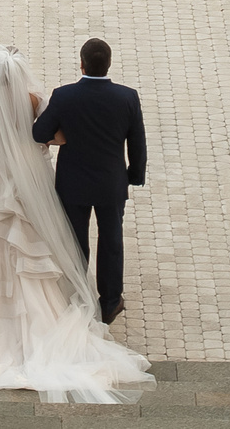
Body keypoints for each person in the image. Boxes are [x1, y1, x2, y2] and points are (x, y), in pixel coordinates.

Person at [0, 46, 153, 402]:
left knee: (12, 238)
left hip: (4, 183)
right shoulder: (38, 99)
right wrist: (129, 173)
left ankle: (33, 295)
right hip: (48, 182)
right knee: (79, 239)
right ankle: (97, 299)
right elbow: (50, 135)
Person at [30, 38, 148, 329]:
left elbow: (39, 133)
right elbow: (137, 142)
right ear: (109, 64)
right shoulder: (127, 97)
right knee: (111, 242)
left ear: (81, 64)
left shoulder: (64, 96)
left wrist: (60, 137)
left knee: (74, 241)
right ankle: (110, 302)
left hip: (73, 183)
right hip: (111, 183)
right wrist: (134, 175)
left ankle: (78, 297)